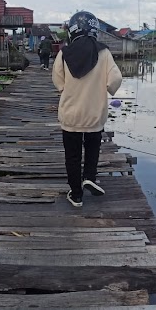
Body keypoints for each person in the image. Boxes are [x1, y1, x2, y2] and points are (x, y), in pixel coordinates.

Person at [52, 11, 123, 207]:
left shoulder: (64, 53)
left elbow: (58, 81)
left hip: (71, 115)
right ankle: (89, 176)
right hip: (95, 114)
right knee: (93, 148)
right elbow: (115, 79)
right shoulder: (104, 53)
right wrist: (108, 88)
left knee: (72, 156)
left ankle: (76, 195)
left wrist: (67, 89)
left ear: (73, 30)